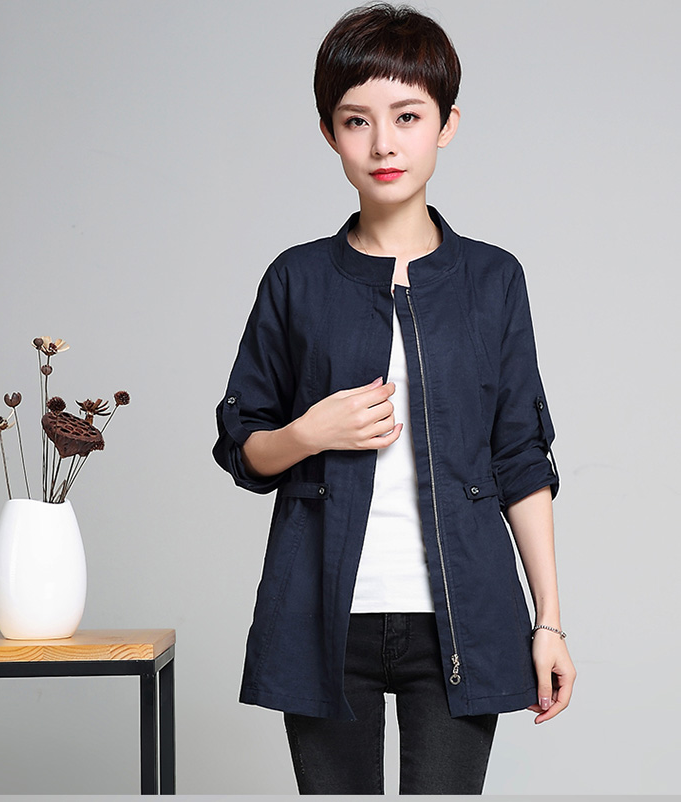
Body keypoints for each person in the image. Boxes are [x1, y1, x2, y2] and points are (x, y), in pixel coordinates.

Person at [213, 3, 576, 794]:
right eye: (357, 120)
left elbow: (520, 457)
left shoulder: (493, 280)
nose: (383, 144)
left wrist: (548, 620)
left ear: (446, 124)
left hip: (461, 617)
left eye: (407, 116)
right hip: (321, 616)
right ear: (329, 133)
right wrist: (310, 431)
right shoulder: (297, 279)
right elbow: (243, 448)